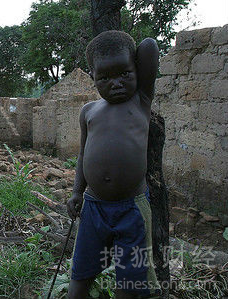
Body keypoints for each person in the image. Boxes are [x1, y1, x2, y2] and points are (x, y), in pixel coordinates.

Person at [66, 30, 160, 299]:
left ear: (137, 70)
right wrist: (76, 192)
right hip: (93, 206)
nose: (116, 83)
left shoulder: (141, 99)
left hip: (132, 208)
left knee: (129, 280)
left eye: (124, 73)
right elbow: (83, 155)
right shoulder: (89, 111)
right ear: (92, 76)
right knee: (81, 272)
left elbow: (150, 46)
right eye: (104, 77)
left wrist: (128, 53)